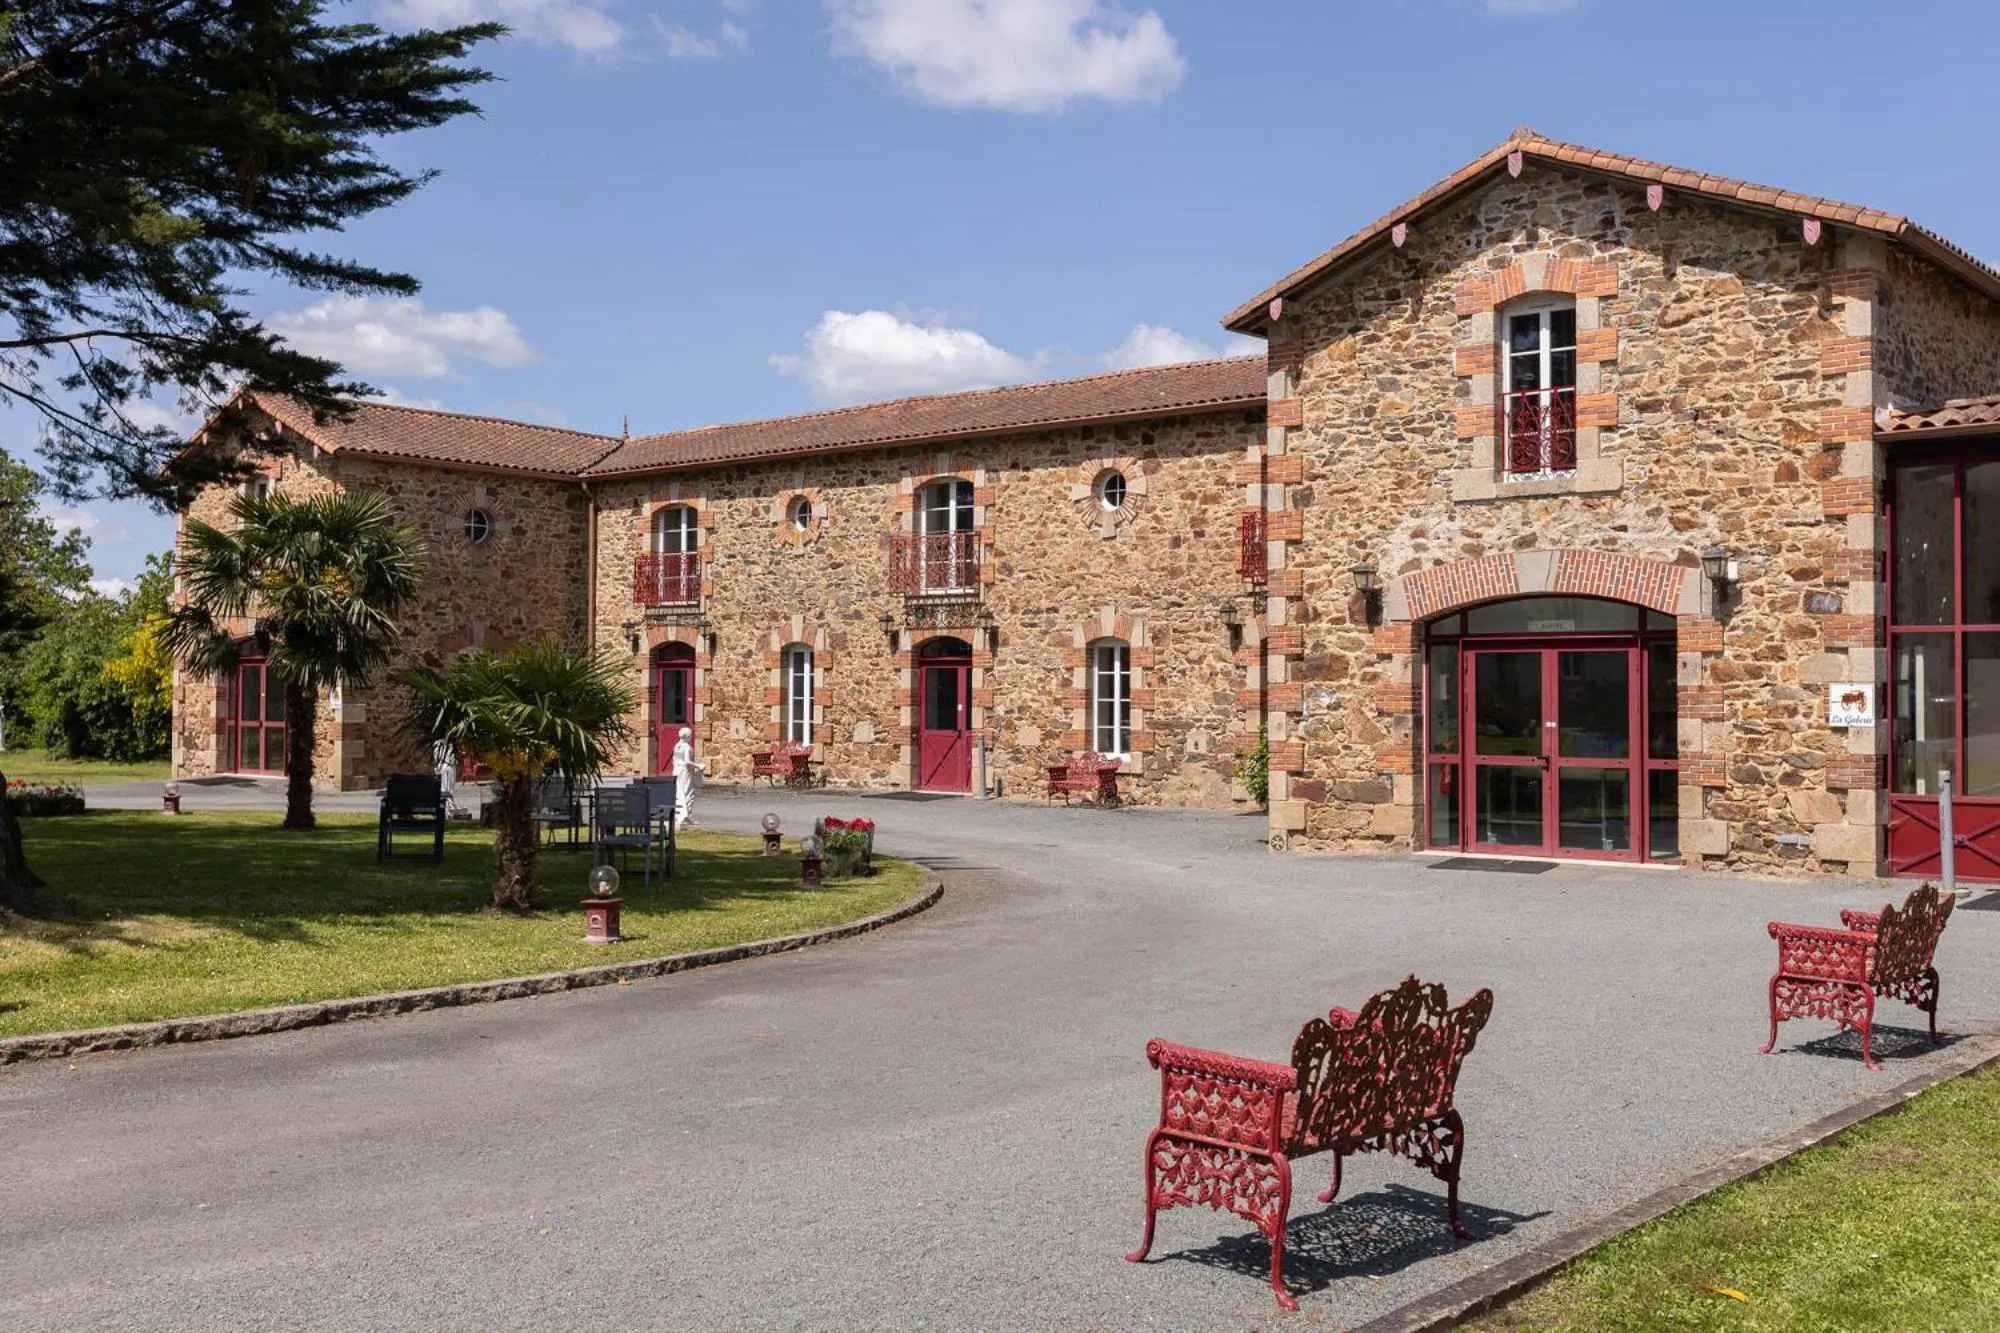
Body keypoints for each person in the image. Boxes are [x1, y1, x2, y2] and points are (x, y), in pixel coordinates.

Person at [670, 727, 707, 827]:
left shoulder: (677, 746)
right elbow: (687, 761)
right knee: (688, 792)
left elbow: (674, 760)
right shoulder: (686, 747)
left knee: (679, 793)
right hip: (684, 771)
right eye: (690, 735)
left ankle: (682, 816)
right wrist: (698, 765)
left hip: (677, 770)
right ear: (688, 736)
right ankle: (685, 816)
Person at [433, 738, 459, 814]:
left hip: (443, 765)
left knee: (445, 787)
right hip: (448, 765)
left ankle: (448, 805)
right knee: (448, 788)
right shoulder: (451, 742)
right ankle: (449, 806)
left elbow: (435, 756)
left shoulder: (438, 743)